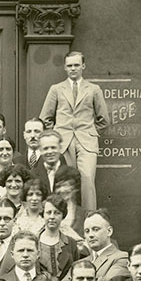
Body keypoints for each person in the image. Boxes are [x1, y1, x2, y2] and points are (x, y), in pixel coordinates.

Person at [39, 52, 108, 210]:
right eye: (69, 65)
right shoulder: (56, 89)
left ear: (83, 66)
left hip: (86, 142)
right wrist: (56, 135)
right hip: (63, 142)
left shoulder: (93, 89)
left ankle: (90, 218)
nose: (73, 68)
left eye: (76, 65)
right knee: (65, 181)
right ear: (65, 67)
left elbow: (104, 119)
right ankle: (63, 216)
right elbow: (45, 118)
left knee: (87, 179)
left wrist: (90, 131)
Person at [38, 194, 81, 281]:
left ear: (63, 216)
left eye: (57, 213)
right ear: (43, 214)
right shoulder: (33, 242)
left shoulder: (71, 243)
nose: (52, 217)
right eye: (48, 212)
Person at [81, 210, 129, 281]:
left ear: (109, 231)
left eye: (95, 229)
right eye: (87, 231)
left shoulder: (122, 258)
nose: (90, 235)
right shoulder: (80, 262)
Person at [30, 129, 79, 196]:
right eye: (46, 148)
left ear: (60, 147)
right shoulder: (32, 175)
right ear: (40, 150)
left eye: (53, 147)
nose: (50, 151)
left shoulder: (72, 175)